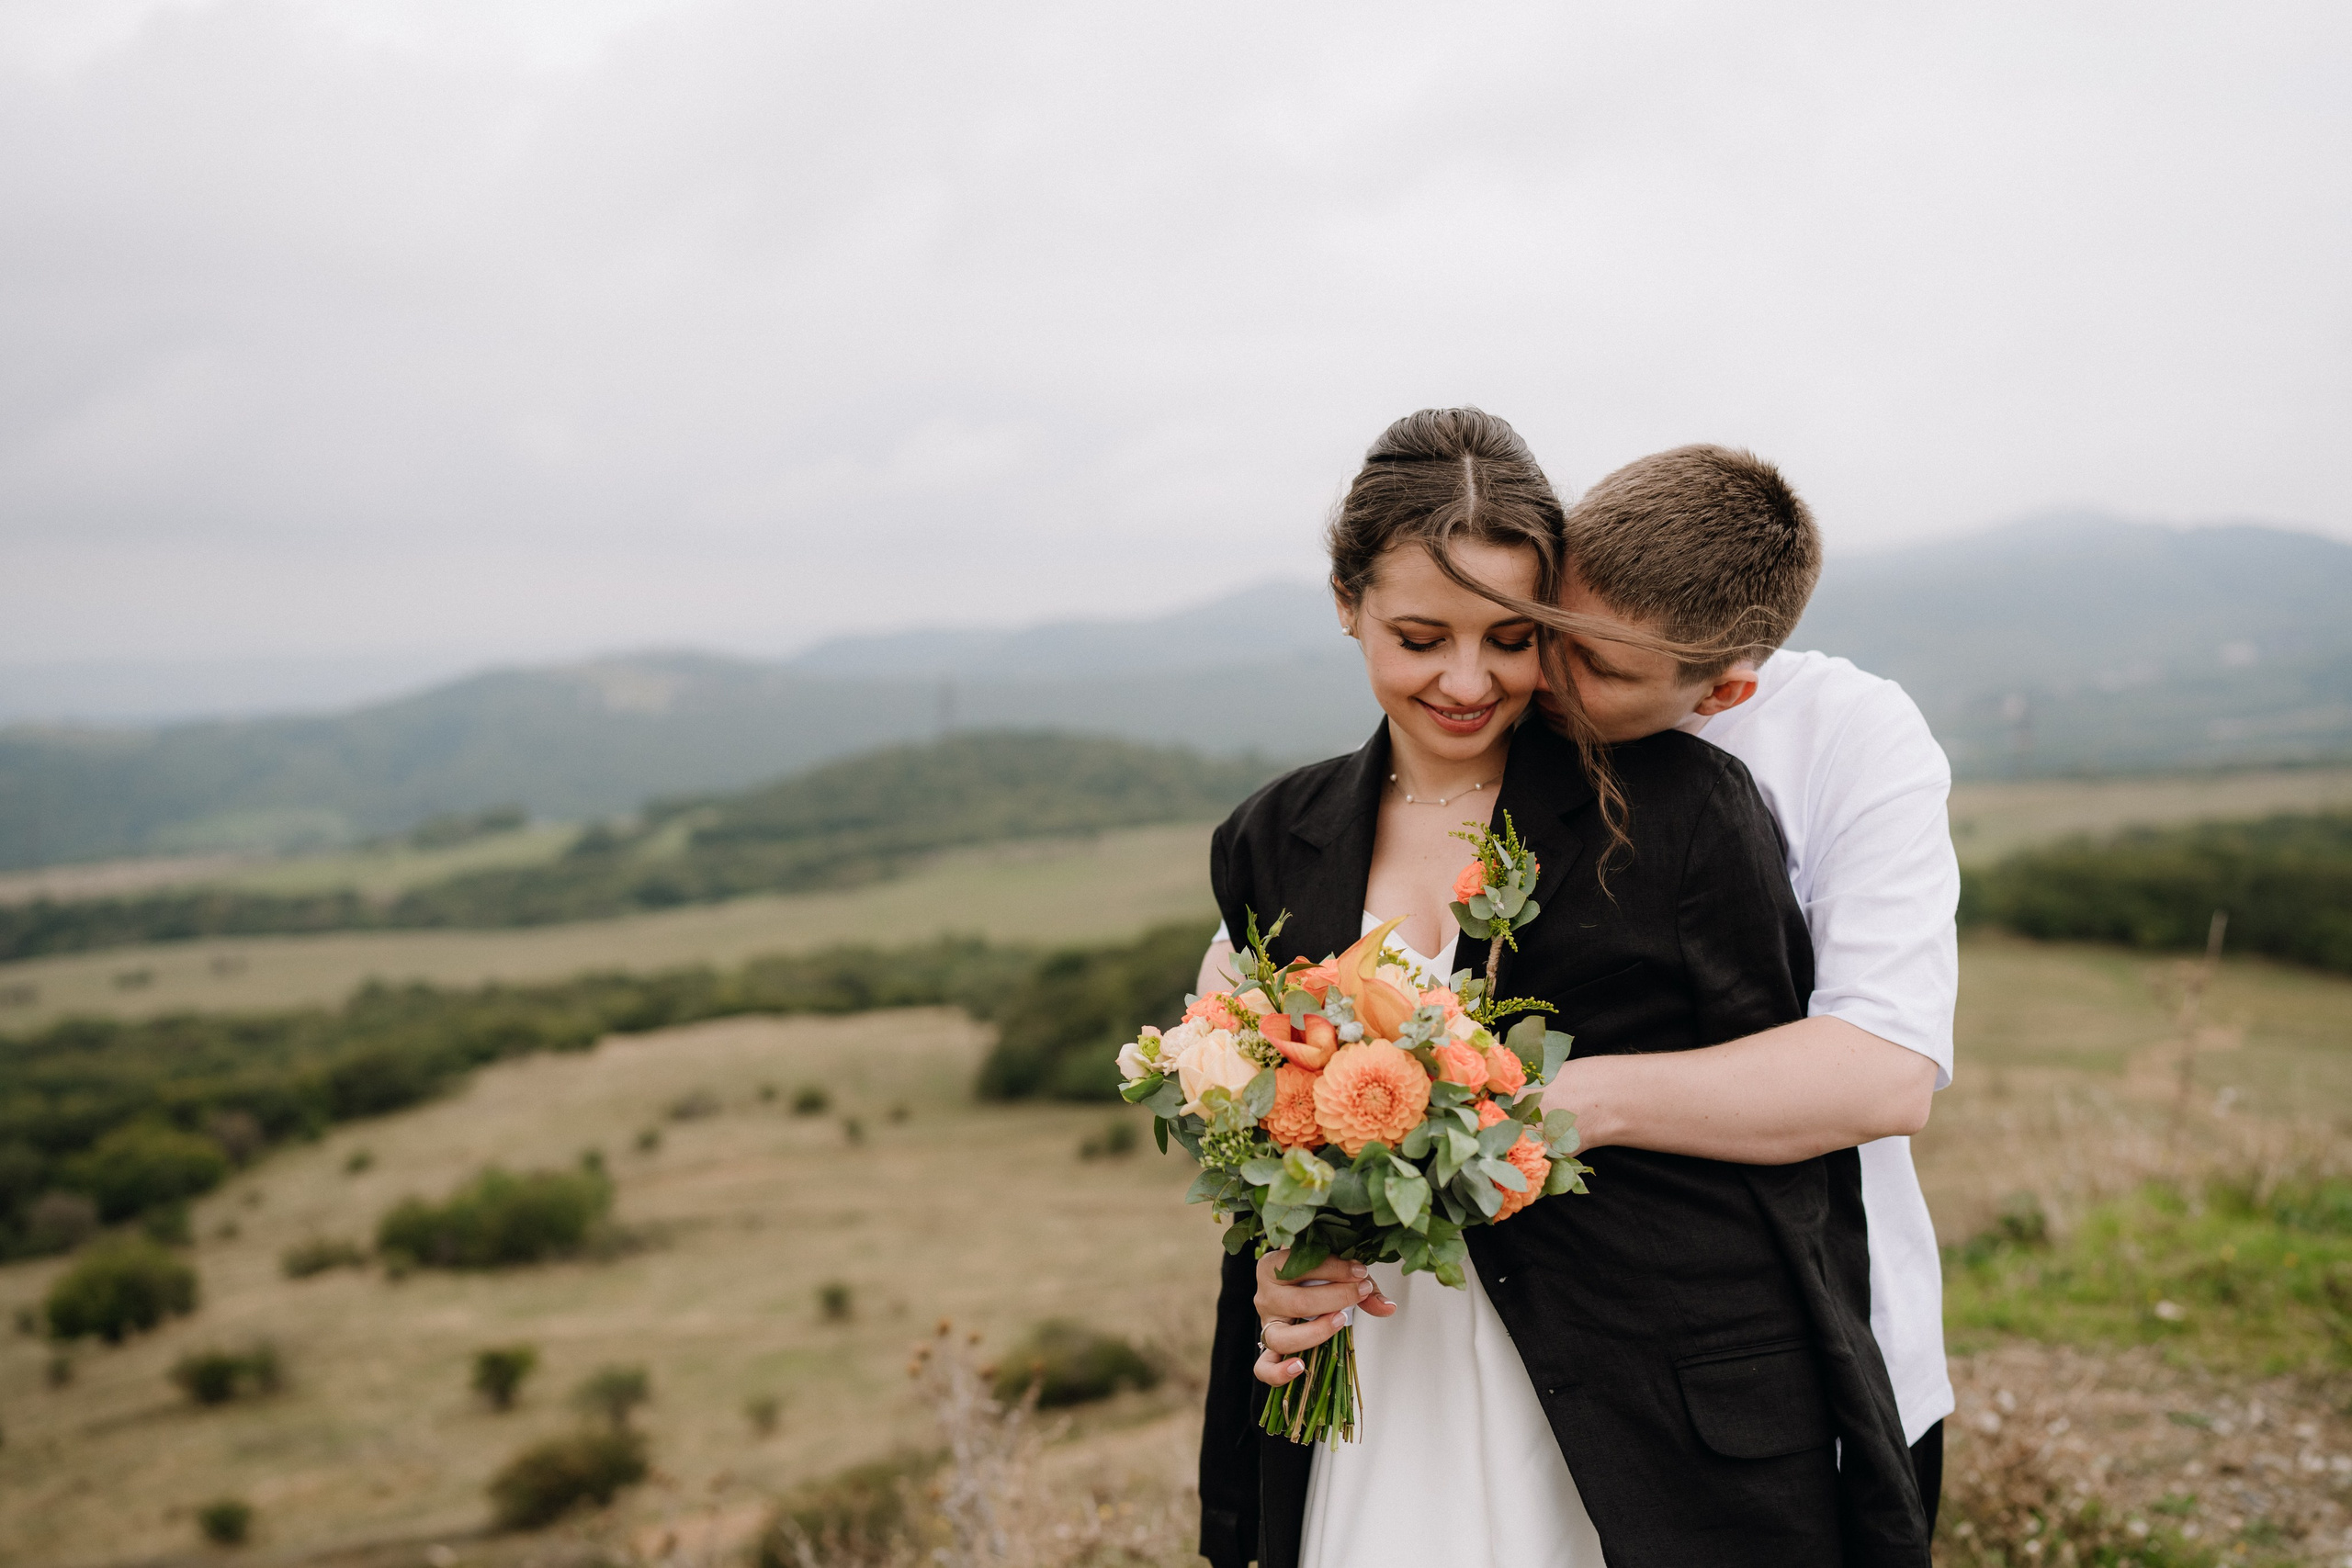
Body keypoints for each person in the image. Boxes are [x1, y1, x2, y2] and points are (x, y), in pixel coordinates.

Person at [1194, 410, 1926, 1568]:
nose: (1469, 681)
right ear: (1347, 604)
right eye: (1420, 636)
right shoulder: (1271, 837)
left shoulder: (1681, 808)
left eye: (1514, 637)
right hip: (1384, 1379)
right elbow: (1238, 1102)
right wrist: (1288, 1254)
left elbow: (1808, 1160)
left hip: (1639, 1406)